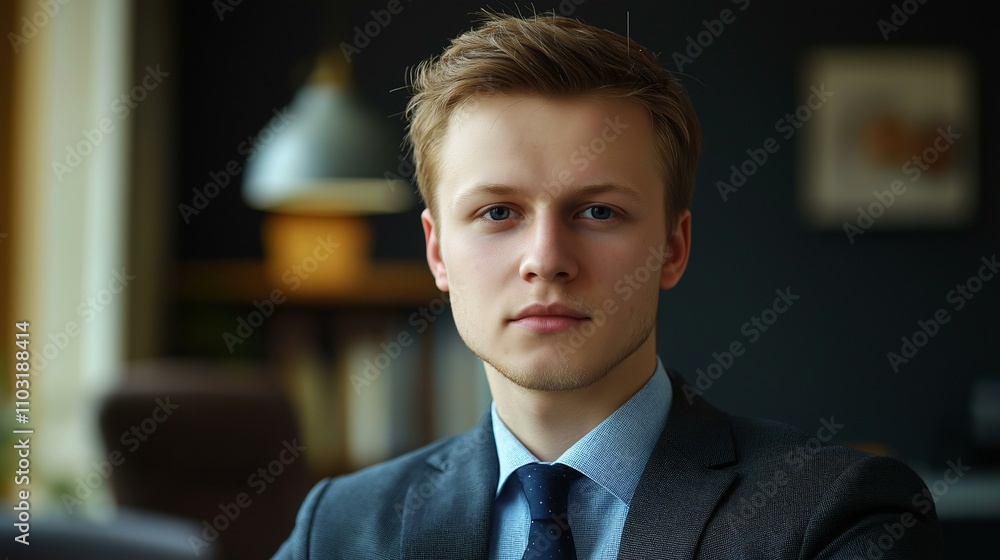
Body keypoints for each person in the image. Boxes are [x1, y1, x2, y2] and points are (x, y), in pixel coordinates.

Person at [272, 12, 941, 559]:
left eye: (598, 212)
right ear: (438, 252)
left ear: (673, 248)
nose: (546, 260)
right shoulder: (338, 528)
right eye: (497, 213)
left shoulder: (834, 513)